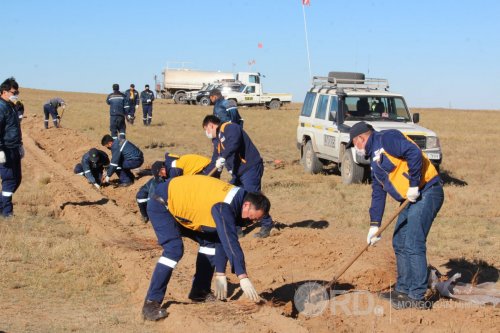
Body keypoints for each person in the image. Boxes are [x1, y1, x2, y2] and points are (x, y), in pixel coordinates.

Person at [142, 175, 270, 321]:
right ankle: (151, 303)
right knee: (174, 250)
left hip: (183, 207)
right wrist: (242, 275)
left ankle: (199, 292)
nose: (252, 222)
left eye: (256, 221)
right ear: (247, 205)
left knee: (209, 243)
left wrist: (220, 272)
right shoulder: (225, 205)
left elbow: (220, 237)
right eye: (253, 217)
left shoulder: (237, 201)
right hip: (162, 205)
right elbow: (229, 240)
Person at [347, 121, 444, 310]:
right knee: (399, 241)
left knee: (413, 242)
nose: (355, 148)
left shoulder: (386, 138)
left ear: (361, 138)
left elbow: (414, 152)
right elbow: (378, 193)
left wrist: (414, 184)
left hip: (427, 191)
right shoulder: (374, 163)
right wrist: (374, 225)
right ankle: (403, 289)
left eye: (354, 144)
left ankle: (417, 296)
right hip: (411, 198)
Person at [203, 115, 273, 238]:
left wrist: (223, 157)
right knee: (230, 196)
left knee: (253, 196)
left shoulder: (230, 128)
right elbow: (215, 160)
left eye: (206, 129)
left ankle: (267, 225)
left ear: (211, 125)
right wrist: (206, 177)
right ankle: (236, 228)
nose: (206, 133)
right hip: (237, 173)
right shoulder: (217, 141)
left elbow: (234, 142)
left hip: (250, 168)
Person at [0, 77, 24, 218]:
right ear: (4, 92)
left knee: (17, 179)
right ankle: (7, 213)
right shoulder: (1, 107)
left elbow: (15, 128)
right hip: (5, 150)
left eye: (17, 92)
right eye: (14, 91)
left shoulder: (11, 106)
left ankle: (2, 204)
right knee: (9, 180)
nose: (16, 94)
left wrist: (20, 145)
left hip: (14, 148)